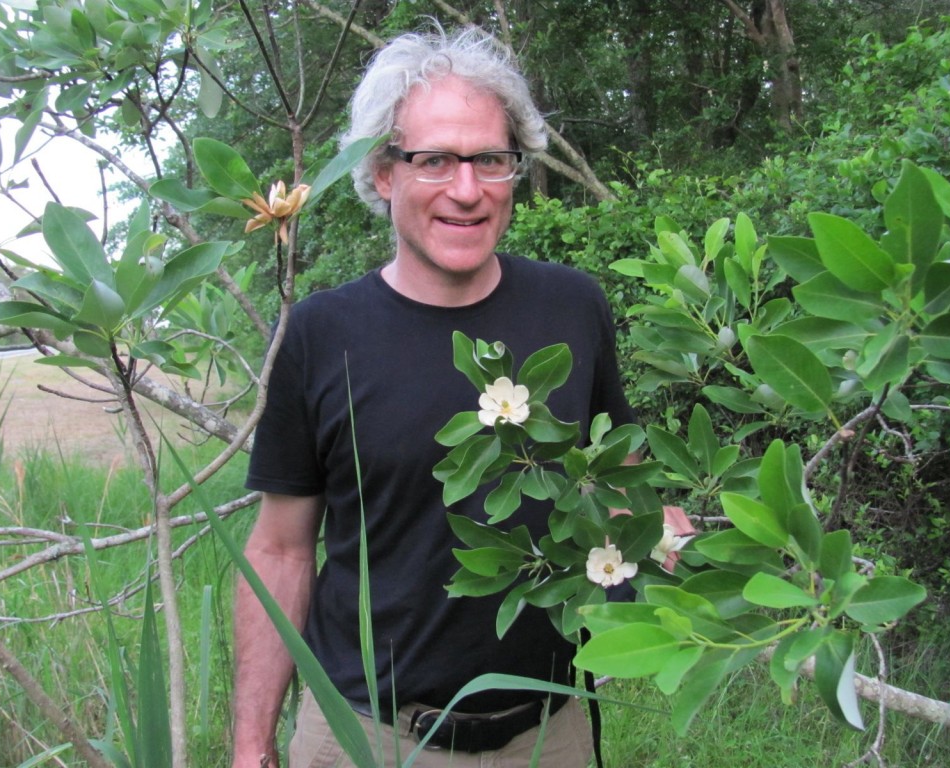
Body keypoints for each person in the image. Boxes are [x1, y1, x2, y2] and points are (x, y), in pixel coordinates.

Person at [231, 24, 694, 768]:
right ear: (384, 174)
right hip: (363, 735)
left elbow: (617, 486)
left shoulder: (573, 309)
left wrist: (686, 543)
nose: (468, 189)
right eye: (435, 160)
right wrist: (251, 747)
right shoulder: (322, 335)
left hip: (550, 731)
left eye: (491, 160)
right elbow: (281, 549)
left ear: (516, 170)